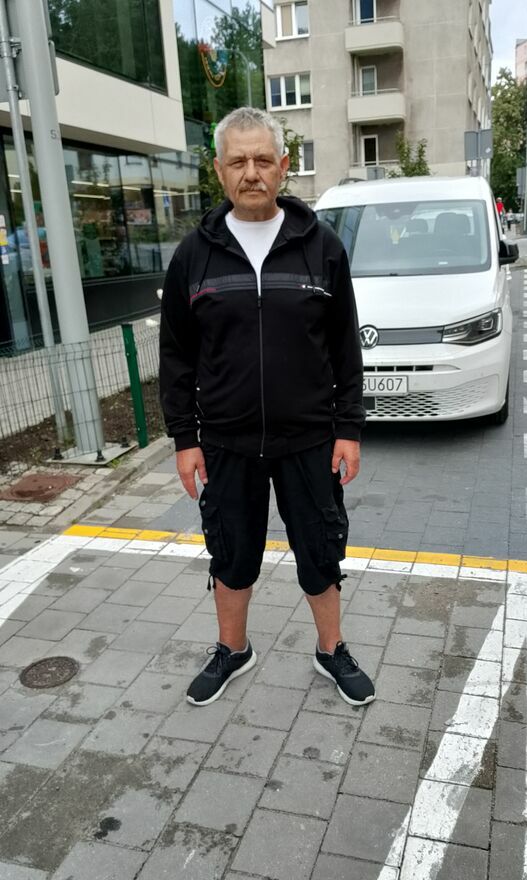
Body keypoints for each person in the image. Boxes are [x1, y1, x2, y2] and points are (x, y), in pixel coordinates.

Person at [159, 107, 375, 708]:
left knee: (320, 550)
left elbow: (345, 347)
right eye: (238, 161)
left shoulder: (321, 248)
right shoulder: (194, 256)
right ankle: (233, 650)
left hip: (310, 439)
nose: (250, 172)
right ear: (219, 171)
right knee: (230, 553)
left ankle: (331, 649)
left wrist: (349, 428)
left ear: (283, 166)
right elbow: (176, 356)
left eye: (261, 160)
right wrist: (184, 439)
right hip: (225, 442)